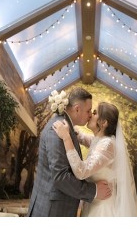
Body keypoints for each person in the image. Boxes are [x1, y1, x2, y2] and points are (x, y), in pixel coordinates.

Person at [27, 87, 112, 217]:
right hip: (51, 211)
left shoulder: (67, 129)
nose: (90, 115)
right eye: (89, 111)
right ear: (77, 108)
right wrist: (93, 191)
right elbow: (60, 177)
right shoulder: (57, 130)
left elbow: (91, 142)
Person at [52, 102, 137, 216]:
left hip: (103, 208)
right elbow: (82, 137)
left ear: (103, 123)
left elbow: (81, 171)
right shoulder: (98, 140)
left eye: (94, 113)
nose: (90, 115)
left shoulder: (107, 144)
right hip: (94, 202)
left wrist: (66, 138)